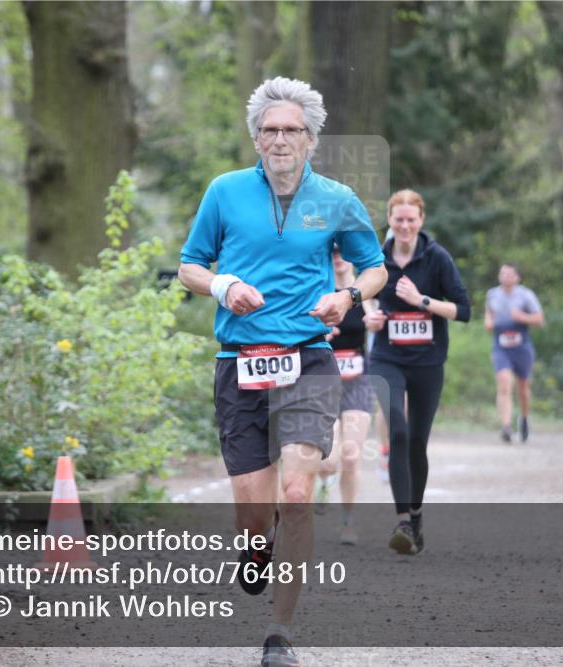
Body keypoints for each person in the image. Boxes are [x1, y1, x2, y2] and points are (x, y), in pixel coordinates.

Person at [177, 76, 386, 667]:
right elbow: (190, 265)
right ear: (256, 139)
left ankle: (280, 632)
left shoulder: (338, 199)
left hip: (308, 361)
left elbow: (374, 270)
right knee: (253, 513)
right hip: (237, 363)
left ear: (310, 139)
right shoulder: (224, 192)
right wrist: (225, 284)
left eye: (291, 130)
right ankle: (253, 548)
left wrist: (346, 299)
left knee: (296, 493)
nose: (280, 139)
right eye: (269, 130)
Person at [364, 189, 471, 555]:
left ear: (421, 221)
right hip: (386, 359)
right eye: (398, 220)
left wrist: (422, 301)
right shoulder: (377, 258)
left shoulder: (437, 258)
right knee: (397, 430)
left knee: (417, 443)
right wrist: (370, 314)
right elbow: (360, 292)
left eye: (411, 220)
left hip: (427, 362)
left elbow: (464, 310)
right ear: (390, 222)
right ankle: (403, 523)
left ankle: (417, 513)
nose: (405, 226)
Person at [316, 245, 376, 545]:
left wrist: (378, 325)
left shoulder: (366, 294)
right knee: (327, 461)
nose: (338, 257)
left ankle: (348, 521)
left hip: (357, 382)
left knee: (352, 454)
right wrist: (320, 335)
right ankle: (324, 482)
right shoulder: (318, 290)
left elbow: (382, 335)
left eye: (343, 251)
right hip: (322, 383)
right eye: (333, 252)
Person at [484, 263, 545, 443]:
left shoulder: (526, 295)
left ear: (517, 278)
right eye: (503, 273)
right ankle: (506, 426)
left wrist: (522, 317)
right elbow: (489, 314)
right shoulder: (492, 294)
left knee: (523, 388)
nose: (506, 277)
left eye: (510, 274)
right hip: (501, 344)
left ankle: (524, 418)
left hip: (521, 344)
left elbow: (540, 319)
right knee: (503, 383)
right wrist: (488, 322)